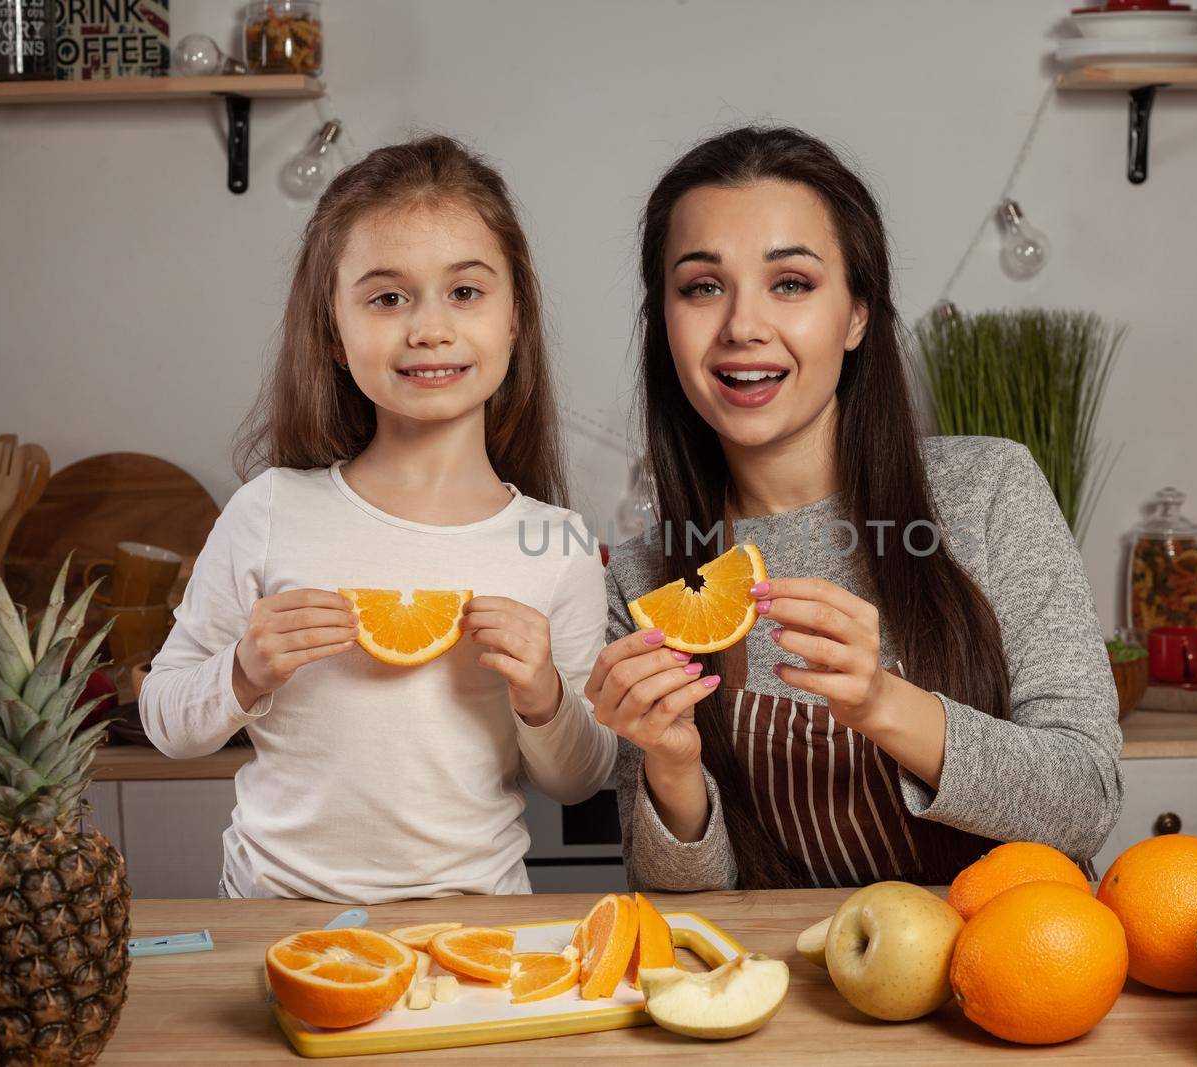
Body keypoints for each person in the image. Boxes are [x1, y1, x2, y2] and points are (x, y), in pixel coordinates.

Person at [589, 126, 1122, 891]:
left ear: (857, 315)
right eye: (702, 286)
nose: (742, 325)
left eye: (792, 284)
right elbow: (688, 908)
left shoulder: (990, 490)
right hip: (798, 995)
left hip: (1015, 973)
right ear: (665, 321)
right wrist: (672, 769)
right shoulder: (644, 577)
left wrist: (883, 703)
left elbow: (1087, 796)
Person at [140, 136, 614, 903]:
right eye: (387, 297)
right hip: (275, 923)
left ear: (515, 316)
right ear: (333, 328)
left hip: (472, 928)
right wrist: (244, 670)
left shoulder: (555, 543)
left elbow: (579, 776)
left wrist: (545, 694)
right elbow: (165, 718)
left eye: (466, 292)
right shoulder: (269, 511)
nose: (430, 329)